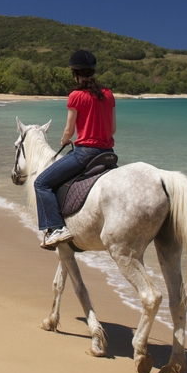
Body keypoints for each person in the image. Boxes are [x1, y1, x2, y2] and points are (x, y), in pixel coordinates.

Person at [34, 49, 116, 249]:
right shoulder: (108, 94)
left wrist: (64, 140)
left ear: (75, 72)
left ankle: (56, 229)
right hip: (108, 154)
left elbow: (69, 130)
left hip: (85, 153)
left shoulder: (76, 95)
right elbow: (112, 128)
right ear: (93, 71)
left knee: (41, 183)